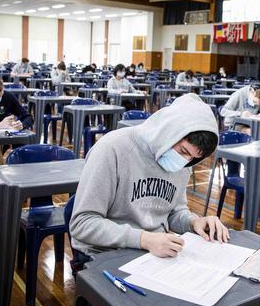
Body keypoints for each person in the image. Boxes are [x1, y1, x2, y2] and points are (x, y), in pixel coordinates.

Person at [69, 93, 228, 259]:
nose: (185, 161)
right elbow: (82, 223)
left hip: (154, 252)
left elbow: (173, 212)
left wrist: (193, 222)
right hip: (106, 252)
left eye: (194, 158)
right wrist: (144, 239)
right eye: (183, 151)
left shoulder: (184, 164)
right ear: (168, 131)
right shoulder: (112, 149)